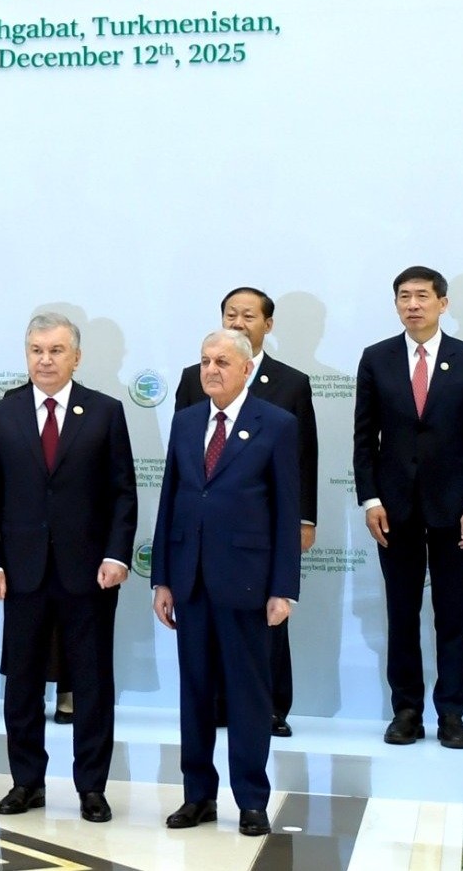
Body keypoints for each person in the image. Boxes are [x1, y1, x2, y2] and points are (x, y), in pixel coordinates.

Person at [0, 313, 135, 822]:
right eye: (36, 350)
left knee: (91, 683)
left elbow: (122, 493)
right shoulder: (3, 413)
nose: (45, 360)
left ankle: (92, 787)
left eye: (56, 350)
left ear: (76, 357)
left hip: (89, 573)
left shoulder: (105, 412)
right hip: (22, 572)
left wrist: (116, 554)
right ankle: (27, 782)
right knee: (22, 683)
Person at [153, 330, 302, 838]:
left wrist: (283, 587)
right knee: (195, 694)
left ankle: (252, 801)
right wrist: (163, 579)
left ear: (246, 369)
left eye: (221, 361)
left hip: (247, 584)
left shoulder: (276, 424)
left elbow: (286, 512)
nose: (211, 370)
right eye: (204, 361)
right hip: (190, 581)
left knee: (248, 696)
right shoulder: (186, 421)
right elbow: (170, 498)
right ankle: (198, 795)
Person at [353, 265, 463, 749]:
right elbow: (364, 438)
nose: (412, 305)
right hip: (393, 508)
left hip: (455, 508)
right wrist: (371, 498)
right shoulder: (376, 358)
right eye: (404, 297)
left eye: (422, 296)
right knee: (402, 613)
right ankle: (407, 710)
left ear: (443, 303)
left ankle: (452, 713)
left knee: (452, 614)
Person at [172, 287, 318, 737]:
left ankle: (270, 705)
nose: (238, 322)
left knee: (266, 621)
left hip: (262, 529)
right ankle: (218, 703)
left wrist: (304, 519)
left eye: (248, 315)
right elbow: (182, 462)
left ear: (267, 325)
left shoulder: (291, 382)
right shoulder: (192, 378)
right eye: (230, 314)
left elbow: (304, 458)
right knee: (206, 625)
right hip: (204, 532)